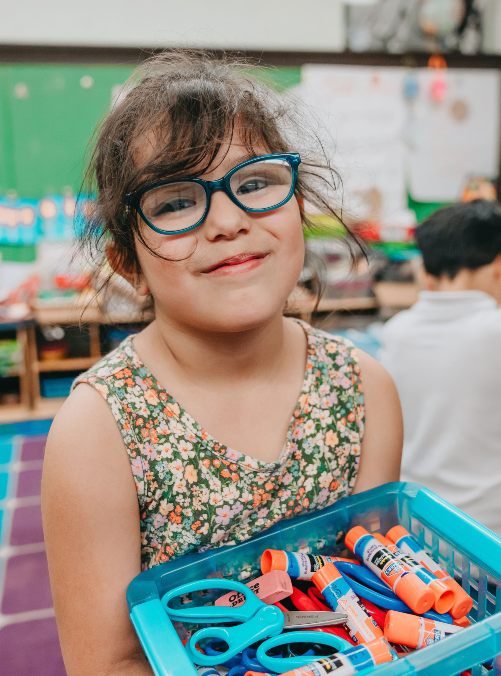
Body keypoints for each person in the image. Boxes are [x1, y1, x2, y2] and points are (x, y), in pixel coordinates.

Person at [41, 51, 402, 675]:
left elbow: (375, 590)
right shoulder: (97, 432)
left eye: (257, 183)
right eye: (176, 201)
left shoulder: (363, 389)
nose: (229, 222)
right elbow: (106, 664)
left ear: (299, 204)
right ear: (128, 260)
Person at [380, 199, 501, 535]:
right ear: (498, 266)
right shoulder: (494, 330)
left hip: (417, 531)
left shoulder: (396, 332)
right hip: (489, 537)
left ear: (427, 271)